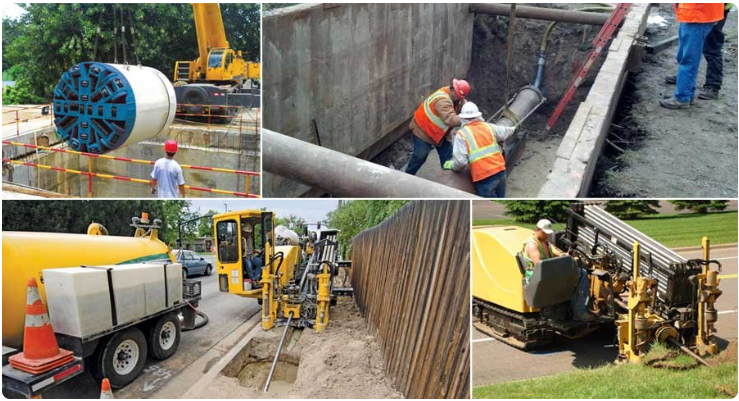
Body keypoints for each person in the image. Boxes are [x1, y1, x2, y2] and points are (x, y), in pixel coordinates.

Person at [522, 219, 594, 322]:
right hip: (537, 276)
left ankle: (580, 308)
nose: (547, 236)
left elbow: (558, 253)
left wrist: (566, 255)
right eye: (545, 233)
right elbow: (538, 265)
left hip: (548, 272)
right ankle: (580, 313)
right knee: (576, 278)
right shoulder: (533, 245)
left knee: (581, 273)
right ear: (537, 229)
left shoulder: (545, 242)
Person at [443, 102, 517, 198]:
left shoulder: (461, 135)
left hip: (484, 177)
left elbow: (461, 162)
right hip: (500, 171)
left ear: (463, 118)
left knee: (488, 204)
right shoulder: (488, 126)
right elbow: (504, 132)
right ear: (477, 115)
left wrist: (453, 165)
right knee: (501, 199)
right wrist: (513, 128)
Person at [660, 3, 726, 109]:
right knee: (684, 56)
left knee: (689, 59)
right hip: (692, 13)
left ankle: (682, 97)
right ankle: (686, 93)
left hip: (698, 15)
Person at [405, 79, 470, 175]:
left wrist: (466, 106)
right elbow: (450, 119)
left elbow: (461, 103)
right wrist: (468, 118)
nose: (461, 100)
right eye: (460, 97)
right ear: (453, 91)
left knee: (448, 158)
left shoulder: (453, 94)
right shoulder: (442, 101)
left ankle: (449, 179)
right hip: (423, 131)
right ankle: (407, 175)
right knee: (420, 156)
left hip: (440, 133)